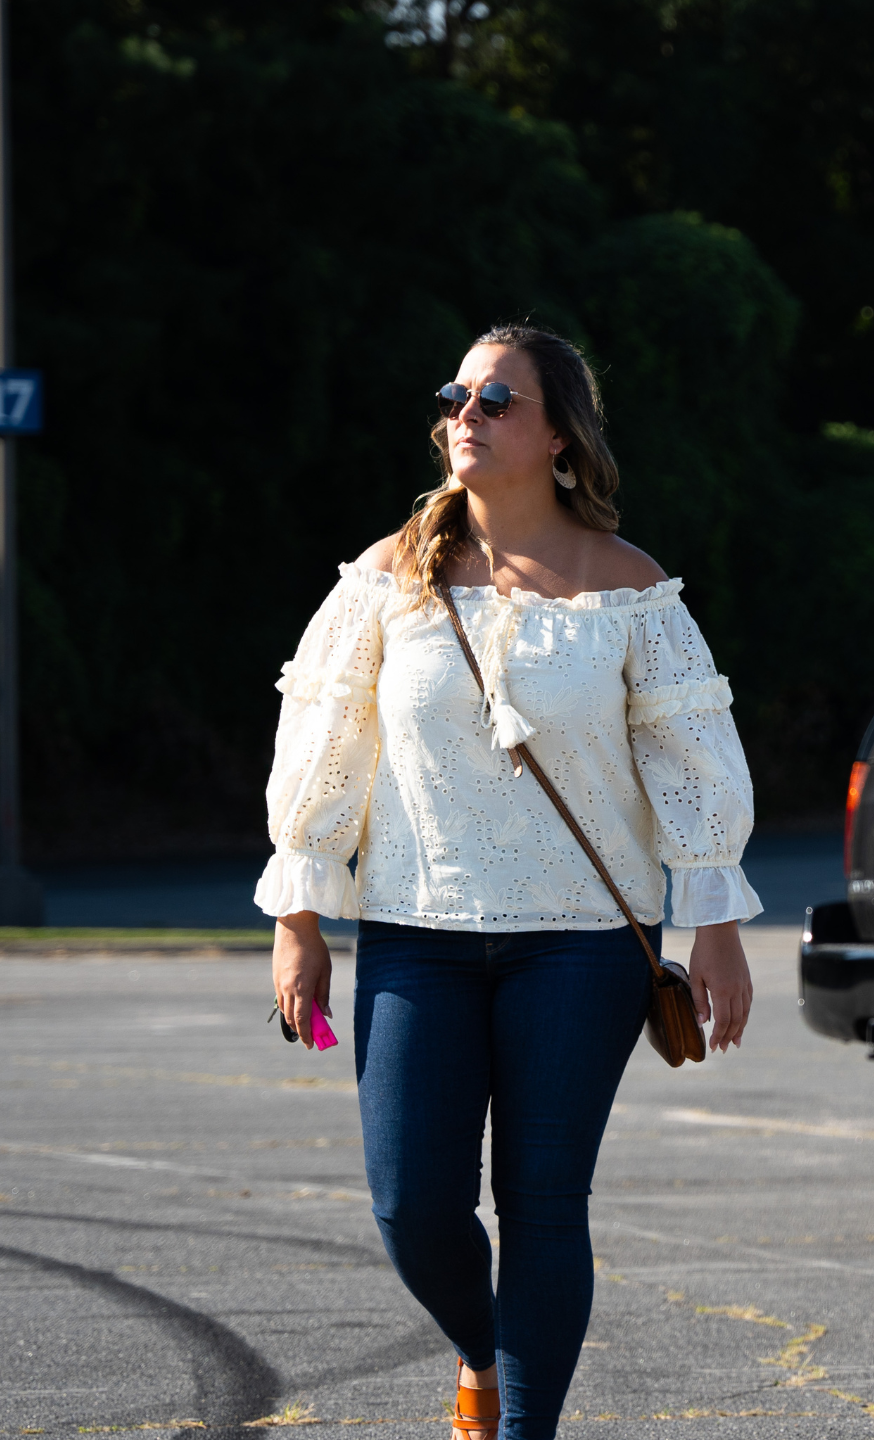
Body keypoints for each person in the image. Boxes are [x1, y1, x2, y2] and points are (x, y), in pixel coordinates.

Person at [259, 323, 760, 1440]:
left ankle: (523, 1429)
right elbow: (324, 747)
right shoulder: (388, 578)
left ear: (560, 440)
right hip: (415, 932)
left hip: (580, 945)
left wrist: (715, 925)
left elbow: (692, 766)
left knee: (542, 1205)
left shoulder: (629, 590)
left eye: (497, 402)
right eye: (457, 397)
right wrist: (298, 914)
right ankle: (481, 1353)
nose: (465, 418)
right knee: (412, 1202)